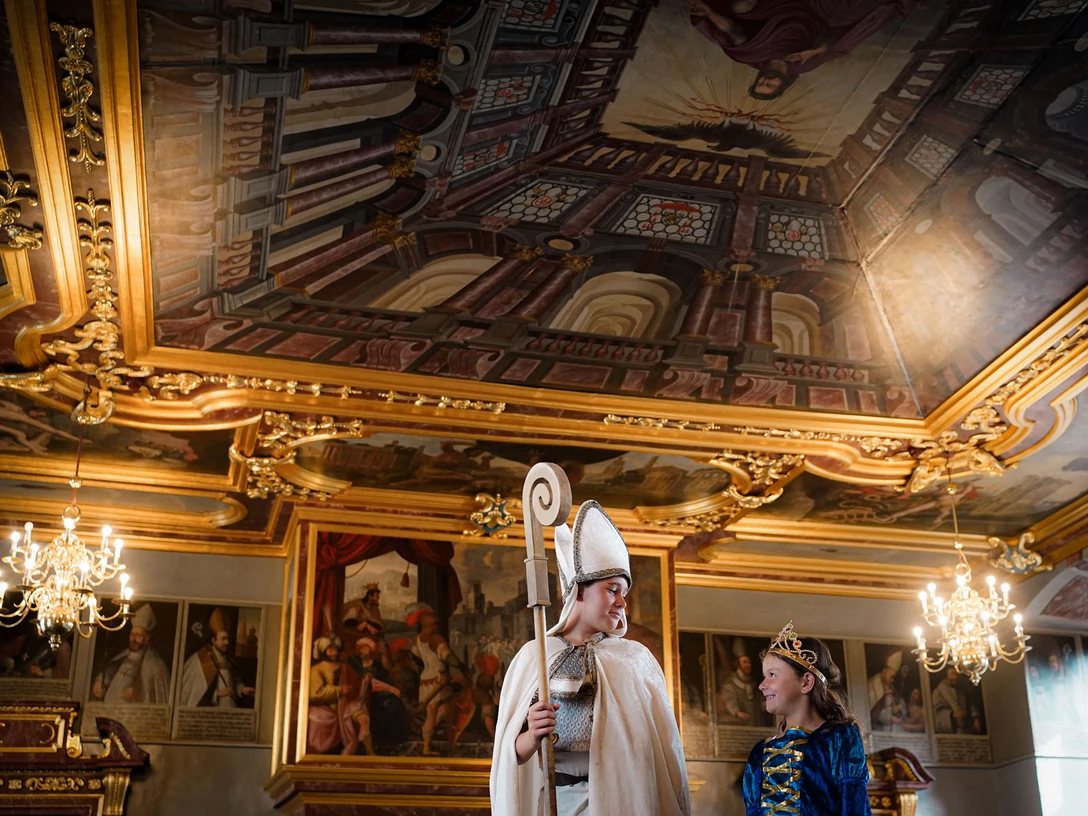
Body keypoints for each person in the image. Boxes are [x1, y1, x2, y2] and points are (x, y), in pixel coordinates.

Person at [491, 500, 690, 815]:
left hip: (625, 801)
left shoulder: (635, 659)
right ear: (579, 592)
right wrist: (532, 734)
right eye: (612, 590)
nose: (622, 602)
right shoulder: (536, 656)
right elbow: (510, 754)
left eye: (624, 593)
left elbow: (664, 751)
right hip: (559, 802)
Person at [742, 621, 871, 816]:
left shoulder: (839, 738)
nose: (761, 685)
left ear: (806, 682)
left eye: (772, 675)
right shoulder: (760, 753)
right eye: (763, 676)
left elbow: (855, 809)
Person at [688, 0, 913, 101]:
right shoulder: (806, 65)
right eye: (771, 87)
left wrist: (708, 13)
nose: (767, 82)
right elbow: (835, 39)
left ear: (756, 80)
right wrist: (815, 51)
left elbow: (734, 29)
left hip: (775, 11)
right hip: (814, 16)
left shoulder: (751, 58)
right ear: (781, 85)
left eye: (761, 85)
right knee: (851, 8)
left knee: (740, 6)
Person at [91, 604, 170, 703]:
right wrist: (100, 681)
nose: (134, 639)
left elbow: (155, 698)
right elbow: (110, 670)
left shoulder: (156, 666)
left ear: (147, 639)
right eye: (132, 634)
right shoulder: (124, 655)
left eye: (139, 635)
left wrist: (137, 694)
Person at [178, 607, 256, 707]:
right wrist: (217, 694)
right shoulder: (199, 661)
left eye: (227, 638)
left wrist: (241, 689)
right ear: (214, 640)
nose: (227, 642)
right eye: (223, 639)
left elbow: (235, 681)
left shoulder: (228, 659)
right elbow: (196, 694)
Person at [718, 638, 767, 726]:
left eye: (748, 662)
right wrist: (737, 712)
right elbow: (728, 699)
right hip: (738, 725)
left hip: (755, 724)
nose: (748, 665)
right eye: (744, 662)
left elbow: (758, 701)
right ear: (738, 664)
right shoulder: (730, 683)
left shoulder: (752, 682)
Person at [867, 649, 907, 732]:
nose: (892, 680)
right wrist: (890, 717)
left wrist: (899, 707)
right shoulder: (873, 684)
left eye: (893, 678)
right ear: (884, 671)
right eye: (891, 676)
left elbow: (901, 702)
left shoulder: (890, 687)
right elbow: (874, 711)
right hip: (882, 728)